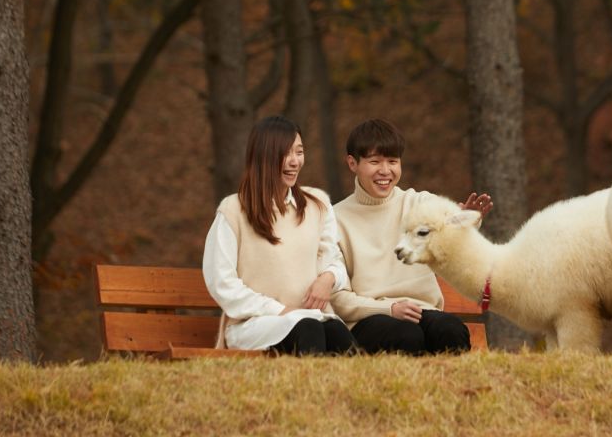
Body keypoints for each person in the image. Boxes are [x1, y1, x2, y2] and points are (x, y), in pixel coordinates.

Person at [330, 118, 492, 355]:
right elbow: (338, 298)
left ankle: (453, 391)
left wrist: (465, 221)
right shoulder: (335, 219)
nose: (385, 171)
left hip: (423, 311)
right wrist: (390, 308)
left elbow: (446, 226)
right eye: (375, 161)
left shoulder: (417, 203)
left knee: (450, 330)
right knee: (405, 335)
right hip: (370, 319)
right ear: (353, 163)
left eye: (393, 161)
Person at [202, 115, 355, 355]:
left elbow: (334, 260)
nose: (295, 161)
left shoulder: (318, 205)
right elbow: (222, 283)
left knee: (338, 333)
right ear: (263, 156)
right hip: (254, 324)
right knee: (308, 329)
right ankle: (306, 392)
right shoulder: (233, 210)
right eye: (286, 153)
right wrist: (278, 310)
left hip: (311, 318)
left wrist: (328, 278)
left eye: (299, 152)